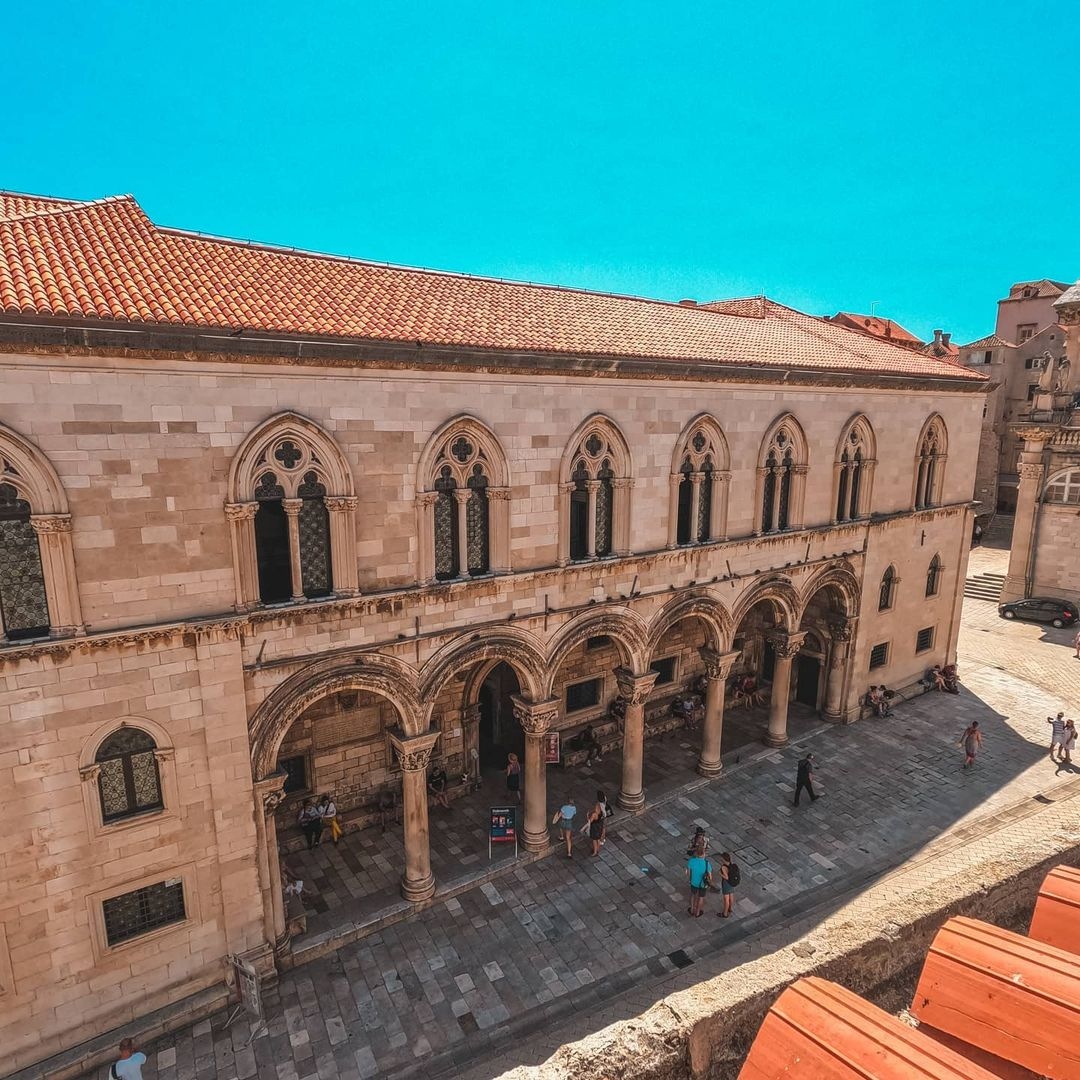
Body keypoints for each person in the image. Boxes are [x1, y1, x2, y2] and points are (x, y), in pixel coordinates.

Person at [685, 848, 713, 917]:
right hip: (703, 884)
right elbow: (710, 876)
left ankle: (691, 910)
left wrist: (689, 879)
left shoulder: (691, 861)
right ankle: (697, 912)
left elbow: (688, 873)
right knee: (701, 897)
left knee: (692, 895)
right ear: (704, 854)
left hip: (693, 882)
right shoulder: (707, 863)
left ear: (696, 853)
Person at [718, 851, 739, 919]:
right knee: (731, 896)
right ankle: (730, 908)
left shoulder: (724, 867)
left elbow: (726, 877)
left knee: (726, 899)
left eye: (722, 859)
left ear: (724, 860)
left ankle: (725, 913)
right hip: (732, 883)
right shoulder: (731, 865)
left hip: (726, 884)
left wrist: (720, 873)